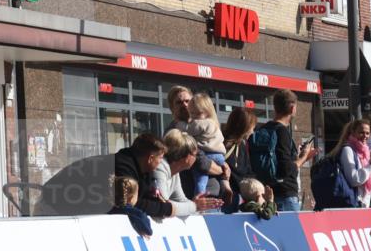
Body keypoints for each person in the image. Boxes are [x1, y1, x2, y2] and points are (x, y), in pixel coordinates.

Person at [36, 133, 168, 217]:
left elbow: (140, 199)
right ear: (150, 158)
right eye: (160, 158)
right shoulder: (123, 167)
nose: (161, 162)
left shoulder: (140, 169)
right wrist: (166, 209)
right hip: (54, 205)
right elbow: (130, 203)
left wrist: (158, 203)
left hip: (67, 205)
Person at [256, 89, 317, 212]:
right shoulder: (282, 131)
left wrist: (299, 157)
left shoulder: (263, 129)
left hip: (268, 192)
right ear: (292, 108)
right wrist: (304, 157)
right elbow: (286, 168)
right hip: (286, 194)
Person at [153, 130, 224, 217]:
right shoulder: (159, 168)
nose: (197, 157)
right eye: (195, 154)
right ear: (187, 157)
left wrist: (198, 205)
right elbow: (164, 206)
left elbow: (181, 200)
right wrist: (194, 206)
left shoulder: (175, 172)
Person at [186, 92, 231, 198]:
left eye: (197, 113)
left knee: (200, 179)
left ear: (206, 112)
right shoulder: (215, 124)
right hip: (220, 156)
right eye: (192, 113)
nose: (194, 116)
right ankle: (226, 186)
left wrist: (185, 130)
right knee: (224, 174)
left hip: (207, 154)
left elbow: (188, 134)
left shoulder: (198, 123)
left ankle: (199, 195)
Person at [331, 119, 371, 208]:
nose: (365, 136)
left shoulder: (365, 151)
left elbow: (368, 176)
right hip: (353, 203)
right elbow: (354, 180)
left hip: (364, 203)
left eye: (367, 133)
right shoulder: (348, 150)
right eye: (361, 132)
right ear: (353, 132)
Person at [222, 107, 258, 213]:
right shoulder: (221, 144)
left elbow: (247, 172)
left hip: (235, 198)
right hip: (222, 199)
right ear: (245, 127)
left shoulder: (241, 144)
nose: (252, 132)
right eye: (252, 128)